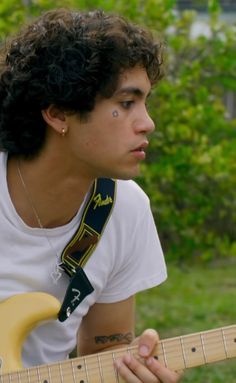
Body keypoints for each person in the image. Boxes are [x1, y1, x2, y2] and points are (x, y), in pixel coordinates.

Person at [0, 8, 182, 383]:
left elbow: (103, 350)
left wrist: (129, 370)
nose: (148, 122)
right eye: (126, 103)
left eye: (145, 102)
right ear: (58, 113)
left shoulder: (126, 210)